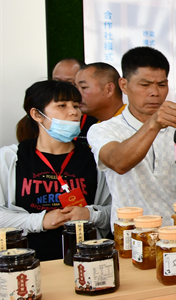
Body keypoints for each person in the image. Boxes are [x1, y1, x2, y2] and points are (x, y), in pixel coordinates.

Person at [0, 80, 111, 260]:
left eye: (76, 105)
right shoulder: (11, 158)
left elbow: (117, 211)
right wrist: (39, 221)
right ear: (36, 114)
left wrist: (91, 214)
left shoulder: (94, 159)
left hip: (86, 260)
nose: (73, 112)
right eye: (62, 105)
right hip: (25, 262)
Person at [87, 47, 176, 233]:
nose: (155, 92)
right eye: (145, 85)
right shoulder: (103, 129)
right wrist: (154, 123)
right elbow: (118, 163)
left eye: (161, 84)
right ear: (124, 85)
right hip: (133, 237)